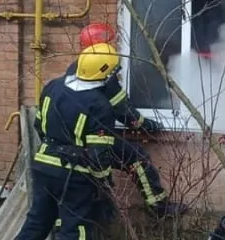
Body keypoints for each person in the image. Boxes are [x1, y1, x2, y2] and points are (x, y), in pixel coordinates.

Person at [5, 43, 127, 240]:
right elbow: (98, 156)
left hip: (43, 164)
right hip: (75, 176)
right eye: (114, 72)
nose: (116, 76)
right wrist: (104, 183)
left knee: (38, 218)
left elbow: (39, 125)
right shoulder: (100, 105)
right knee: (76, 228)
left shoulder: (53, 86)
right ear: (105, 74)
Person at [59, 22, 186, 218]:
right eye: (110, 42)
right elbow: (122, 110)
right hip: (93, 138)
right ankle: (158, 206)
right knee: (135, 156)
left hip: (72, 140)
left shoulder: (75, 68)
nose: (114, 47)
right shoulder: (103, 71)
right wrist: (147, 125)